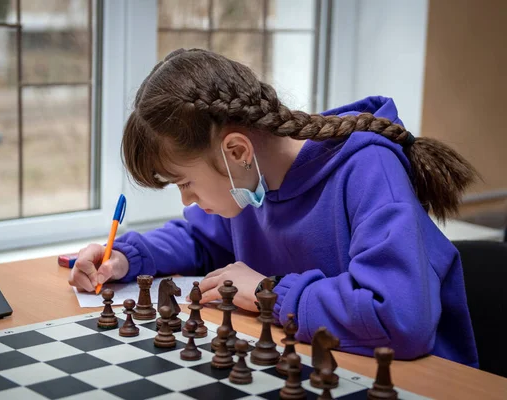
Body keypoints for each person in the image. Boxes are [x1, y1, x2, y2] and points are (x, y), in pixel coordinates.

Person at [68, 48, 479, 368]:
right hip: (314, 364)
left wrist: (270, 292)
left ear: (236, 150)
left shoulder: (368, 170)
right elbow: (198, 237)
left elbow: (399, 317)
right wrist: (126, 256)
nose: (186, 200)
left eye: (185, 182)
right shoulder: (248, 183)